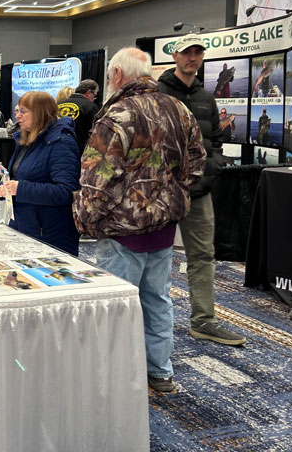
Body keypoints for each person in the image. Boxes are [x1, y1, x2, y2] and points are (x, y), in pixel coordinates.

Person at [73, 47, 206, 393]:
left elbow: (97, 178)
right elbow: (197, 163)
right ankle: (160, 372)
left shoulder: (117, 115)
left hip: (121, 232)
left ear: (117, 75)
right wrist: (170, 199)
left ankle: (117, 379)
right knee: (157, 301)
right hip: (163, 231)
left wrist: (85, 219)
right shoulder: (178, 109)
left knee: (115, 307)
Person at [158, 34, 246, 347]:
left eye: (198, 52)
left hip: (199, 191)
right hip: (163, 193)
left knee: (203, 256)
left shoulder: (206, 97)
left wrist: (214, 165)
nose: (192, 58)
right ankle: (149, 325)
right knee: (154, 258)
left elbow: (216, 139)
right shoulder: (159, 92)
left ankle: (204, 321)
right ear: (175, 56)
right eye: (186, 52)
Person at [0, 91, 80, 255]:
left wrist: (20, 188)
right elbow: (19, 176)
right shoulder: (26, 139)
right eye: (17, 111)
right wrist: (3, 187)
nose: (18, 116)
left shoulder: (60, 142)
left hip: (49, 234)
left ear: (40, 113)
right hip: (25, 226)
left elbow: (66, 191)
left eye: (23, 112)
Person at [57, 79, 100, 154]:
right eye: (94, 96)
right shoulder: (90, 107)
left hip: (56, 149)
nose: (94, 99)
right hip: (78, 151)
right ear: (89, 93)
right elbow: (96, 133)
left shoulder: (58, 105)